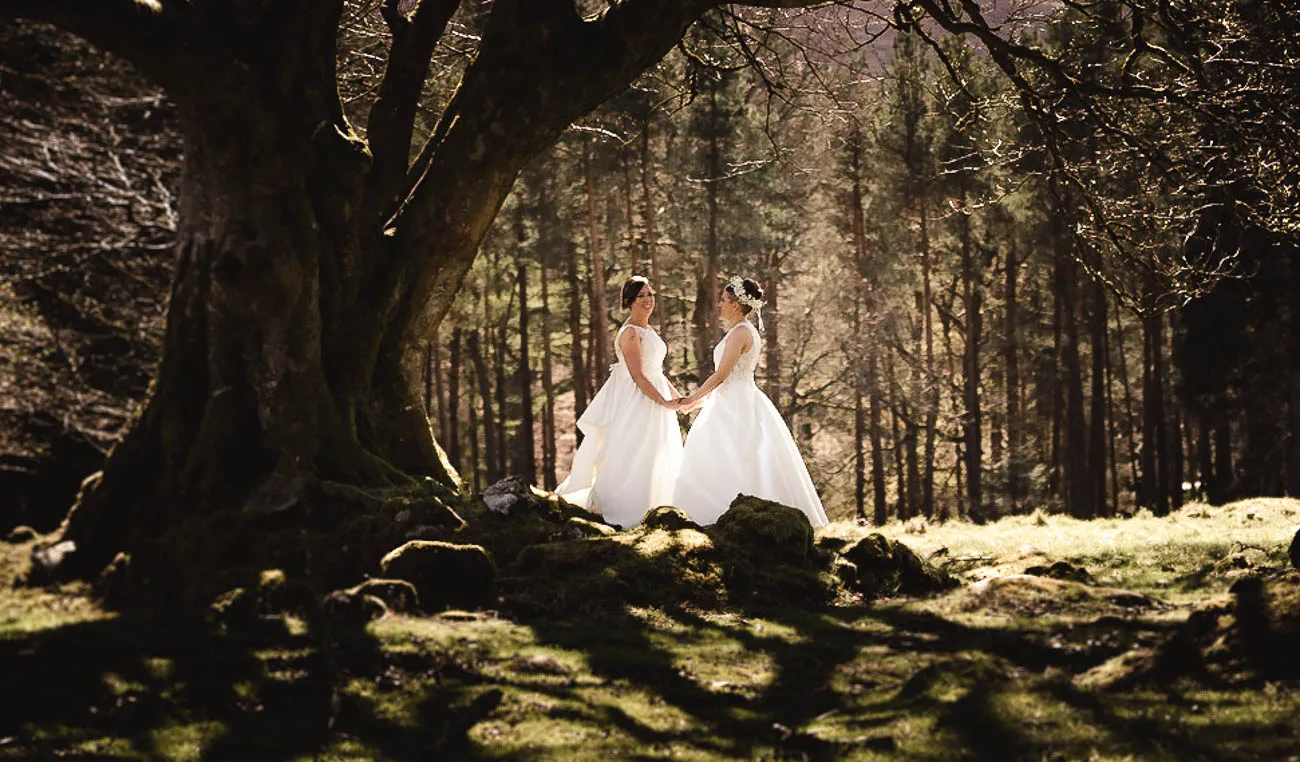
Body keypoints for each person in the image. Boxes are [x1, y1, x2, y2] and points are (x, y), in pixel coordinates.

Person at [672, 275, 828, 528]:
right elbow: (729, 381)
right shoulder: (741, 331)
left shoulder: (741, 333)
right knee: (727, 454)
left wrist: (693, 396)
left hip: (736, 404)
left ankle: (727, 514)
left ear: (735, 304)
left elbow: (722, 376)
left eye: (723, 300)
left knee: (738, 455)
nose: (719, 305)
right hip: (735, 398)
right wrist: (698, 404)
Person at [557, 276, 684, 529]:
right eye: (642, 296)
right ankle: (626, 508)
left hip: (655, 398)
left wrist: (678, 399)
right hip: (638, 401)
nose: (648, 300)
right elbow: (638, 376)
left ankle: (657, 503)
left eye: (650, 295)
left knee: (658, 451)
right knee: (635, 451)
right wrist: (663, 402)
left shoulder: (648, 331)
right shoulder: (630, 333)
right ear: (629, 302)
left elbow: (656, 372)